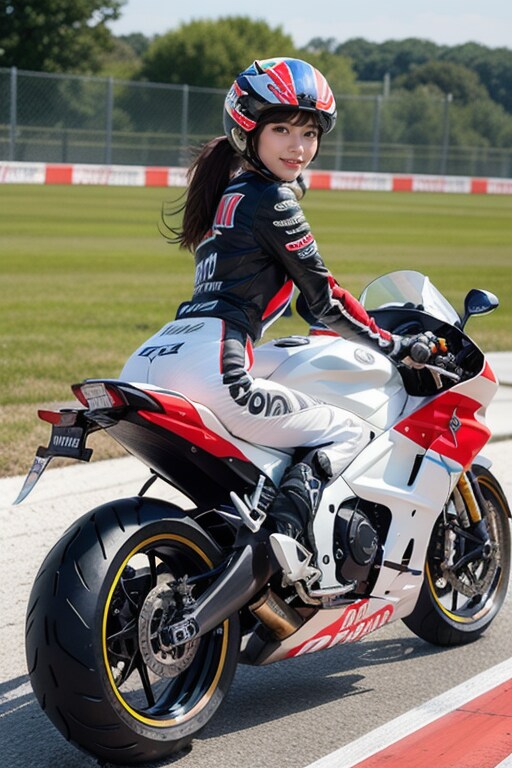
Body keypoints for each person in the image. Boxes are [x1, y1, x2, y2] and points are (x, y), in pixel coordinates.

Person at [121, 57, 433, 585]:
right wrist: (396, 346)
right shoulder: (272, 198)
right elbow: (324, 301)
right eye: (282, 129)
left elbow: (307, 308)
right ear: (249, 131)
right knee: (347, 431)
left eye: (309, 133)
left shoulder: (228, 193)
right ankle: (281, 549)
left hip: (155, 356)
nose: (298, 146)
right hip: (214, 365)